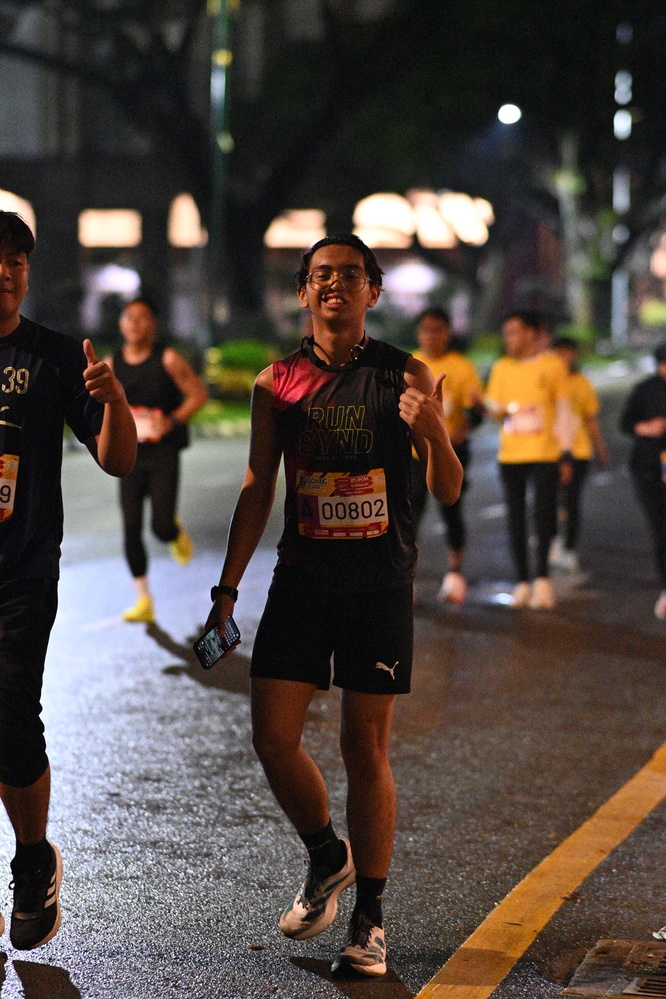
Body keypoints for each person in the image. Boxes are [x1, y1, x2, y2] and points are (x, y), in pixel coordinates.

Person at [205, 234, 462, 976]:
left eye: (351, 275)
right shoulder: (276, 382)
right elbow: (258, 486)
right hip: (302, 578)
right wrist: (227, 589)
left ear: (373, 291)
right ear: (303, 290)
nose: (335, 286)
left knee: (363, 746)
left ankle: (370, 918)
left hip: (379, 584)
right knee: (272, 736)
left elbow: (447, 488)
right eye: (322, 275)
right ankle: (326, 854)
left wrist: (433, 431)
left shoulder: (404, 374)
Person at [0, 211, 136, 948]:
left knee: (11, 715)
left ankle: (32, 860)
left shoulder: (54, 356)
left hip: (21, 570)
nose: (6, 271)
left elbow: (117, 459)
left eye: (17, 259)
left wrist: (114, 401)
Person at [107, 298, 208, 623]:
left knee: (160, 527)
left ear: (154, 324)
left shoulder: (167, 358)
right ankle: (143, 600)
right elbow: (99, 404)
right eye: (129, 317)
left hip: (163, 452)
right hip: (129, 454)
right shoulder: (112, 364)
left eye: (143, 317)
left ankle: (174, 533)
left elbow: (198, 394)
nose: (135, 323)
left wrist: (171, 421)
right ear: (121, 324)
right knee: (131, 527)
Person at [485, 310, 573, 609]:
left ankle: (543, 579)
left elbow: (564, 411)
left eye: (514, 332)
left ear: (532, 333)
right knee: (516, 517)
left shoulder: (553, 365)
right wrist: (486, 405)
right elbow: (495, 407)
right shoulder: (502, 367)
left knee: (544, 515)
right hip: (511, 454)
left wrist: (565, 453)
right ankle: (522, 580)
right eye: (506, 333)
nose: (508, 338)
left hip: (545, 453)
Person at [411, 307, 484, 602]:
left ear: (447, 333)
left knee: (451, 509)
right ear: (418, 333)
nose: (431, 335)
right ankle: (408, 578)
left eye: (437, 329)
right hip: (414, 454)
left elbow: (474, 411)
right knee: (410, 514)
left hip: (451, 452)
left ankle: (455, 574)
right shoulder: (410, 364)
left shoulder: (462, 367)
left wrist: (459, 432)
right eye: (426, 329)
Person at [549, 336, 608, 572]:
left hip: (579, 451)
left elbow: (591, 419)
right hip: (550, 451)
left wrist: (600, 448)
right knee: (549, 501)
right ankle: (553, 540)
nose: (563, 357)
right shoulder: (547, 381)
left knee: (572, 502)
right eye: (558, 352)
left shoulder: (582, 384)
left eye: (567, 352)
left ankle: (570, 547)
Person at [619, 342, 666, 619]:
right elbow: (625, 423)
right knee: (661, 529)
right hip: (649, 469)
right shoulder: (645, 390)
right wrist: (646, 427)